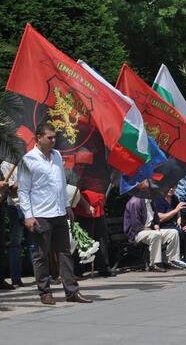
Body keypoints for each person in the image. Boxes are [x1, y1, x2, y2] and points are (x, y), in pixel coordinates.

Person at [17, 122, 92, 304]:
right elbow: (23, 190)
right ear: (39, 138)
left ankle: (72, 291)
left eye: (54, 137)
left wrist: (66, 205)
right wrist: (28, 215)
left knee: (65, 252)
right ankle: (45, 292)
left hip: (58, 211)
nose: (53, 140)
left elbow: (60, 183)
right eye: (49, 137)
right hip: (40, 213)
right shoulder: (28, 160)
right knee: (41, 255)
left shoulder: (57, 155)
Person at [123, 192, 184, 272]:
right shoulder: (135, 202)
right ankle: (155, 264)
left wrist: (156, 225)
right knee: (156, 234)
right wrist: (151, 229)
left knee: (173, 233)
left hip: (150, 231)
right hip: (136, 233)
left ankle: (170, 260)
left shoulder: (151, 202)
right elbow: (136, 225)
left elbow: (156, 219)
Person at [2, 161, 34, 288]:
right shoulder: (6, 164)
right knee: (16, 244)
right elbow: (9, 189)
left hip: (31, 206)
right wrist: (25, 181)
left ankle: (41, 277)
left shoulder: (29, 162)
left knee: (34, 243)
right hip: (16, 207)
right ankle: (16, 279)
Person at [73, 189, 114, 277]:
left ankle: (104, 268)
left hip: (99, 210)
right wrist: (86, 205)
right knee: (83, 241)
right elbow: (76, 192)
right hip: (84, 211)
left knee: (102, 241)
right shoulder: (82, 176)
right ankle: (78, 270)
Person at [155, 186, 186, 268]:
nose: (171, 189)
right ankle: (175, 259)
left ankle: (184, 257)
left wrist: (180, 223)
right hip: (163, 226)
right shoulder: (159, 199)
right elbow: (161, 218)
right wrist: (175, 210)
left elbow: (178, 213)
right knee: (179, 232)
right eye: (169, 187)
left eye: (173, 187)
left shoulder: (174, 198)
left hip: (173, 224)